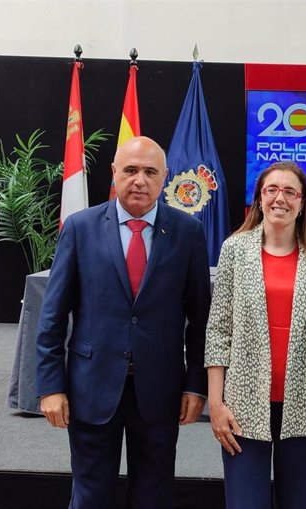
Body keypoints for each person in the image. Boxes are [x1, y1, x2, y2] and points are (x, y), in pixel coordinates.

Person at [36, 136, 211, 509]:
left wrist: (196, 386)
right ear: (114, 173)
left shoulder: (187, 233)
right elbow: (52, 315)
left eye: (150, 172)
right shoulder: (80, 228)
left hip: (160, 391)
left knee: (153, 495)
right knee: (90, 495)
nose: (139, 180)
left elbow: (200, 319)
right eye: (130, 170)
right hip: (91, 387)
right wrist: (50, 386)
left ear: (164, 177)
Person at [205, 161, 306, 509]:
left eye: (289, 192)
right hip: (243, 405)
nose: (279, 198)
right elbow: (219, 329)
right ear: (259, 198)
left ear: (301, 202)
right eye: (271, 190)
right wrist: (216, 402)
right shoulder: (234, 250)